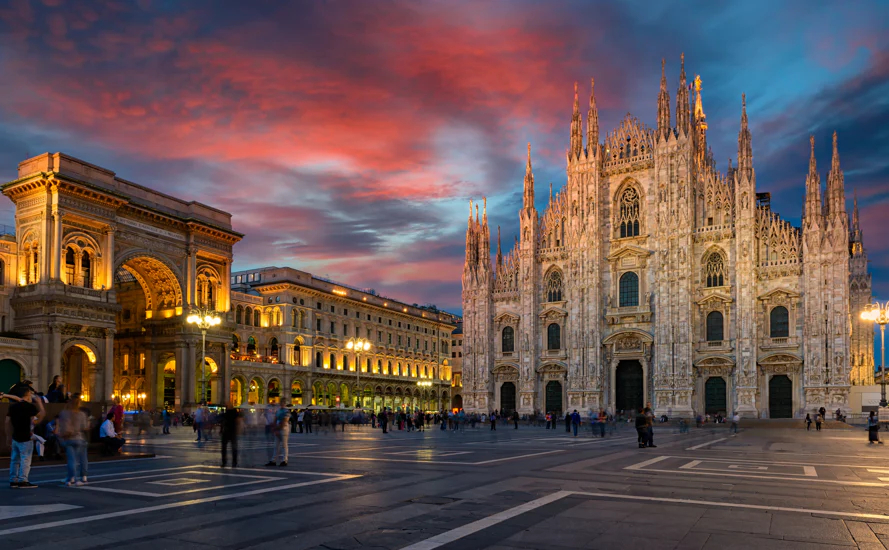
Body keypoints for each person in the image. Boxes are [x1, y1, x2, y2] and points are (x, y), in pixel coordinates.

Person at [6, 384, 44, 488]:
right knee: (26, 459)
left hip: (15, 436)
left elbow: (7, 422)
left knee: (14, 459)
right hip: (26, 436)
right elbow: (40, 417)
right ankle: (23, 480)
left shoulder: (13, 407)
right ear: (27, 395)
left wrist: (8, 437)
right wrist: (40, 404)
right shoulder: (30, 407)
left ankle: (13, 480)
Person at [59, 394, 89, 487]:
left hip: (67, 438)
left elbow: (61, 425)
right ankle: (76, 479)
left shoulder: (64, 413)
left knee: (71, 460)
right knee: (77, 460)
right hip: (78, 438)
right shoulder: (81, 414)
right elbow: (84, 427)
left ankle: (69, 479)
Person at [221, 402, 241, 467]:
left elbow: (238, 421)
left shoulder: (233, 412)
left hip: (231, 431)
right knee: (231, 448)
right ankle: (231, 462)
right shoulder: (232, 412)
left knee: (229, 448)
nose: (227, 406)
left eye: (228, 405)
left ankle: (228, 462)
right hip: (230, 431)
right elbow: (224, 422)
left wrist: (238, 429)